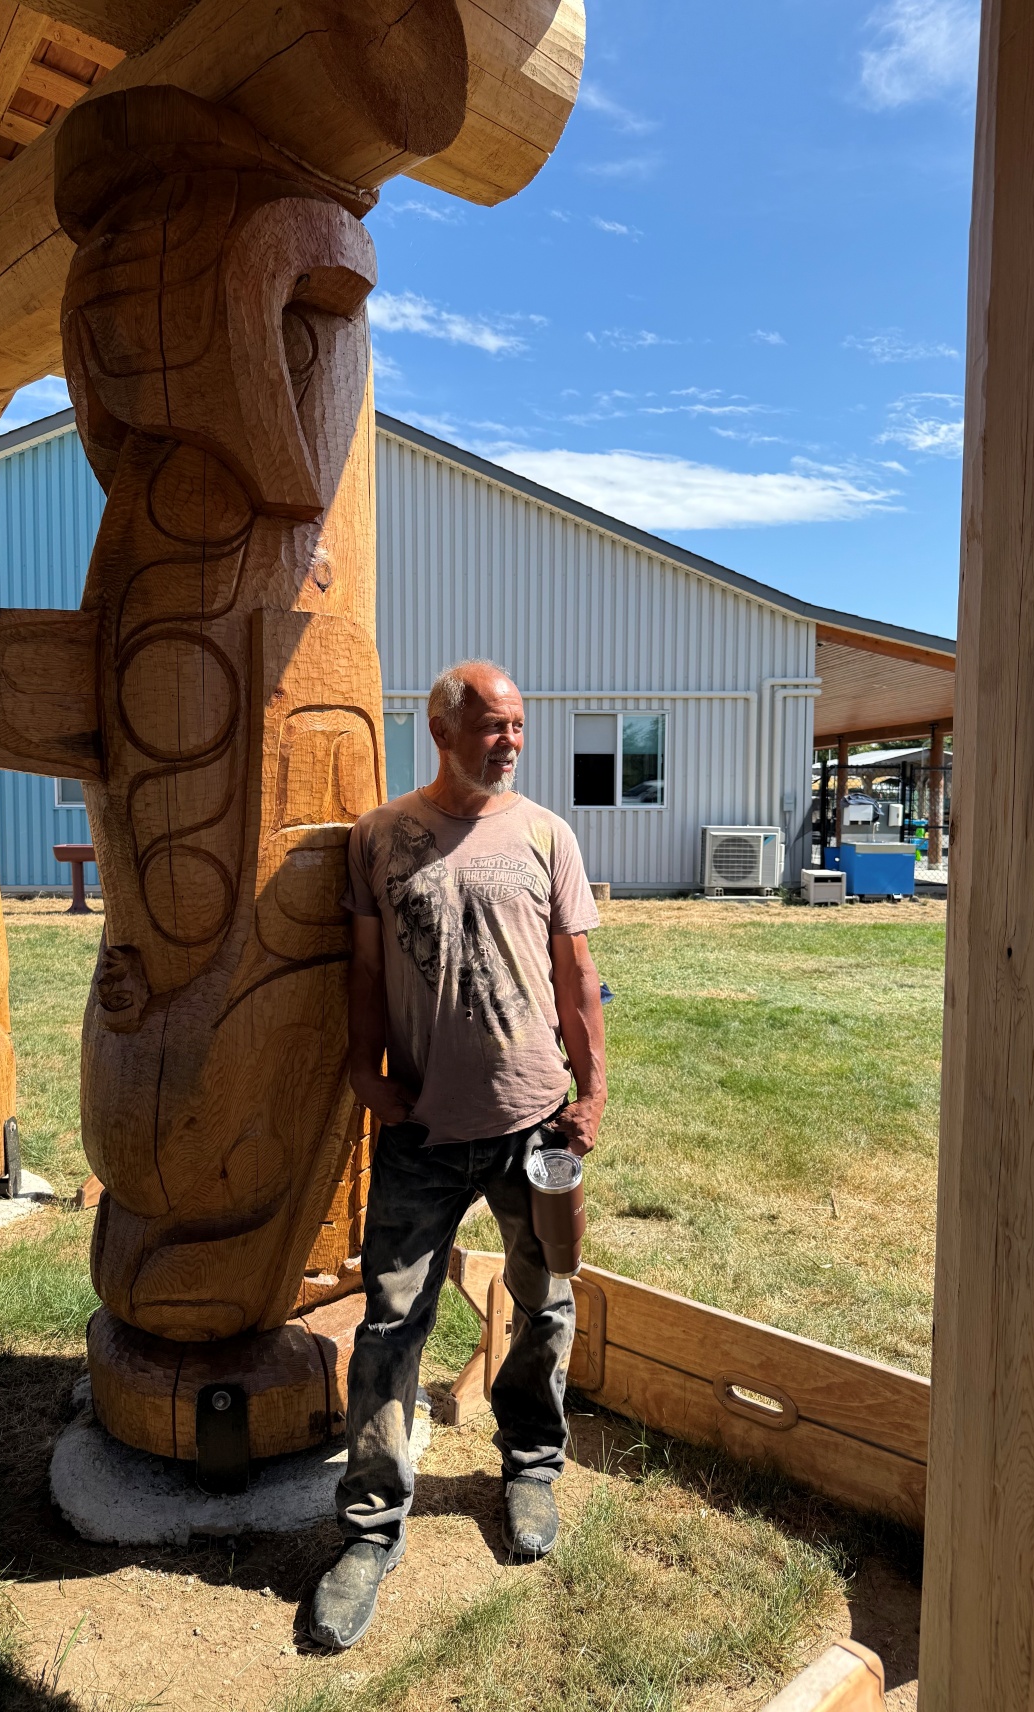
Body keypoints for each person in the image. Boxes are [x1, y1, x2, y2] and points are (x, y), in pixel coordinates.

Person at [309, 660, 608, 1651]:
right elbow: (360, 966)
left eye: (518, 724)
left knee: (546, 1298)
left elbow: (576, 968)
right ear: (442, 729)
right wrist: (363, 1064)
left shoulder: (546, 834)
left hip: (532, 1125)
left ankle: (529, 1463)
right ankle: (369, 1527)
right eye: (492, 726)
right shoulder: (380, 838)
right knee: (391, 1325)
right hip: (422, 1132)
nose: (509, 740)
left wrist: (592, 1086)